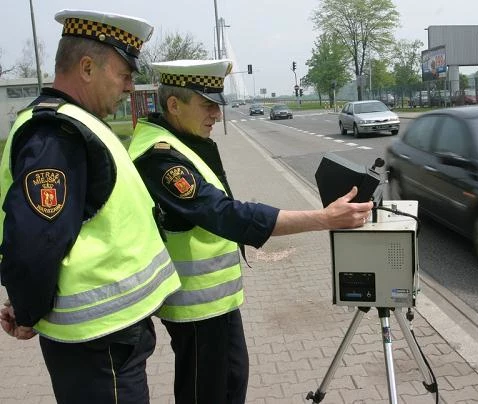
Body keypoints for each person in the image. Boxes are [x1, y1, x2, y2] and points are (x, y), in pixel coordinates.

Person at [127, 59, 374, 404]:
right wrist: (324, 219)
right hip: (195, 307)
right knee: (205, 393)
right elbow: (226, 215)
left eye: (217, 105)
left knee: (232, 380)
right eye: (207, 105)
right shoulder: (160, 157)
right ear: (173, 105)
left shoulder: (181, 141)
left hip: (215, 301)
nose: (216, 114)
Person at [0, 9, 181, 404]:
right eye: (124, 75)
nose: (130, 88)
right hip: (98, 345)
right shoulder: (56, 134)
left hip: (108, 339)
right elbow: (34, 243)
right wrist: (27, 310)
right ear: (86, 67)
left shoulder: (79, 124)